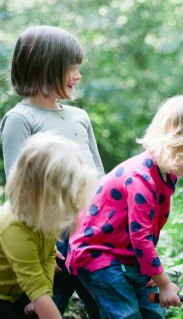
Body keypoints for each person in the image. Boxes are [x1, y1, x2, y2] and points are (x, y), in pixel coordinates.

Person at [66, 95, 183, 318]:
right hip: (99, 255)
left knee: (152, 312)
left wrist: (151, 271)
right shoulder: (141, 179)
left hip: (127, 255)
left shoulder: (167, 174)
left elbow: (147, 228)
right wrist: (164, 283)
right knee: (125, 314)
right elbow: (141, 237)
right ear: (171, 143)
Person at [0, 25, 104, 318]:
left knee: (104, 303)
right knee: (43, 307)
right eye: (71, 68)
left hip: (91, 232)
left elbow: (98, 175)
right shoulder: (20, 119)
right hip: (50, 238)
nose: (78, 76)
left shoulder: (79, 116)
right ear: (44, 69)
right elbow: (19, 187)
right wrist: (44, 243)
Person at [0, 132, 97, 319]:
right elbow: (34, 286)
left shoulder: (43, 215)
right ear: (47, 192)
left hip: (21, 291)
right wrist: (39, 297)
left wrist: (45, 294)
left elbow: (49, 255)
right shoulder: (13, 226)